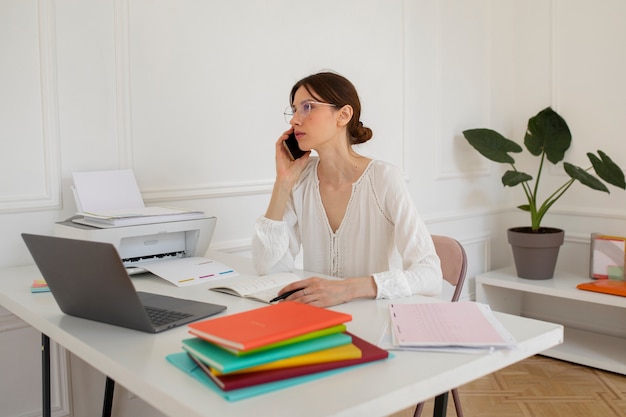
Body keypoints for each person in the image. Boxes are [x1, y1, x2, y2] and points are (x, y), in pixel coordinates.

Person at [252, 71, 442, 307]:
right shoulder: (300, 181)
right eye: (294, 110)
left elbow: (431, 275)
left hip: (376, 319)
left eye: (307, 107)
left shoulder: (383, 178)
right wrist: (283, 182)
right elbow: (269, 269)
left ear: (343, 115)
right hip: (319, 322)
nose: (294, 120)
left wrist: (347, 289)